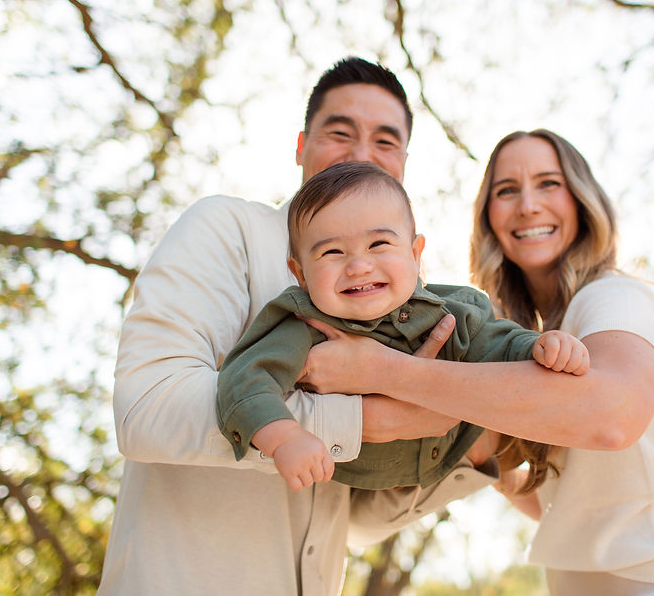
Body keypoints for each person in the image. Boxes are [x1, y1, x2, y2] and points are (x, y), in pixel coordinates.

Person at [98, 58, 501, 596]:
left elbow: (354, 519)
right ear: (300, 146)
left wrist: (458, 446)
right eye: (340, 132)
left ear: (403, 163)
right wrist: (368, 419)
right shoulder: (228, 228)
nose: (362, 154)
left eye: (385, 142)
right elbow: (146, 406)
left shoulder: (403, 299)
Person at [300, 129, 654, 595]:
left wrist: (384, 370)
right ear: (488, 218)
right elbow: (536, 491)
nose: (528, 204)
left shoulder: (613, 296)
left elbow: (614, 417)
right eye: (506, 190)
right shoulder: (516, 342)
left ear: (582, 201)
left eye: (549, 183)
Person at [216, 161, 589, 492]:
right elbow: (244, 381)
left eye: (379, 243)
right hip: (357, 479)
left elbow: (501, 346)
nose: (359, 266)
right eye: (332, 252)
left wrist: (543, 346)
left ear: (415, 255)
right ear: (298, 273)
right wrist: (284, 438)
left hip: (453, 455)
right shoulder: (302, 324)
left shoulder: (454, 313)